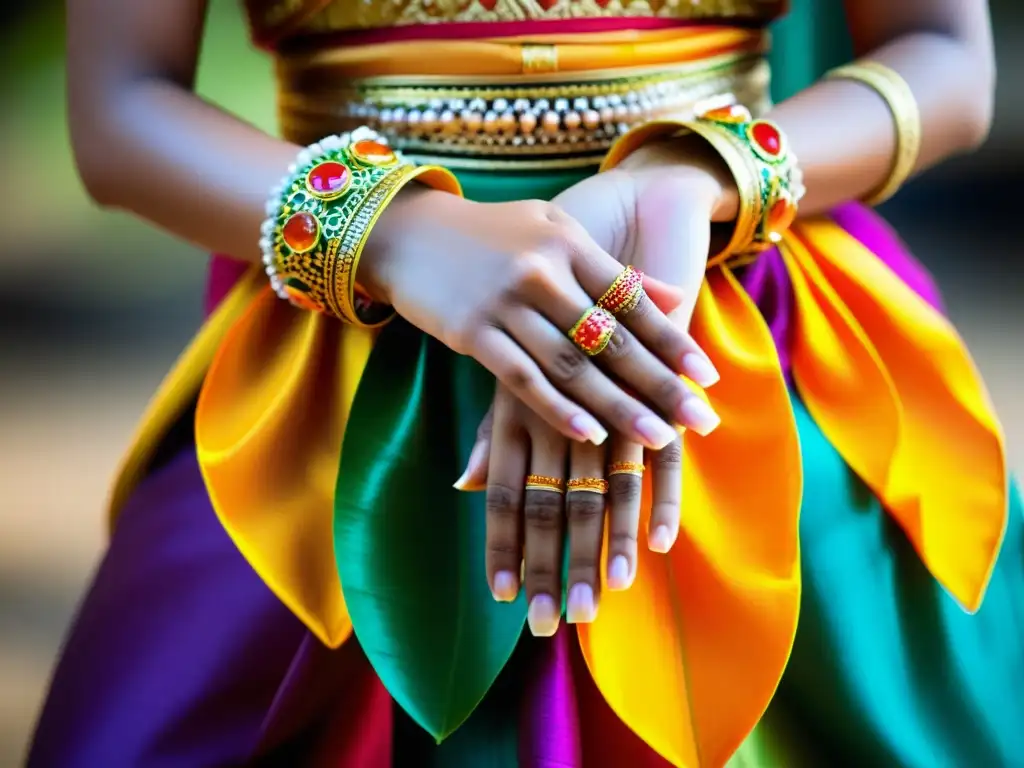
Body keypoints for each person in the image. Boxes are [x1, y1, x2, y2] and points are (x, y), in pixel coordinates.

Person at [30, 0, 1022, 765]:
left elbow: (947, 59)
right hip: (334, 362)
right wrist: (390, 231)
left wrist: (693, 176)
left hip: (746, 329)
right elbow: (117, 110)